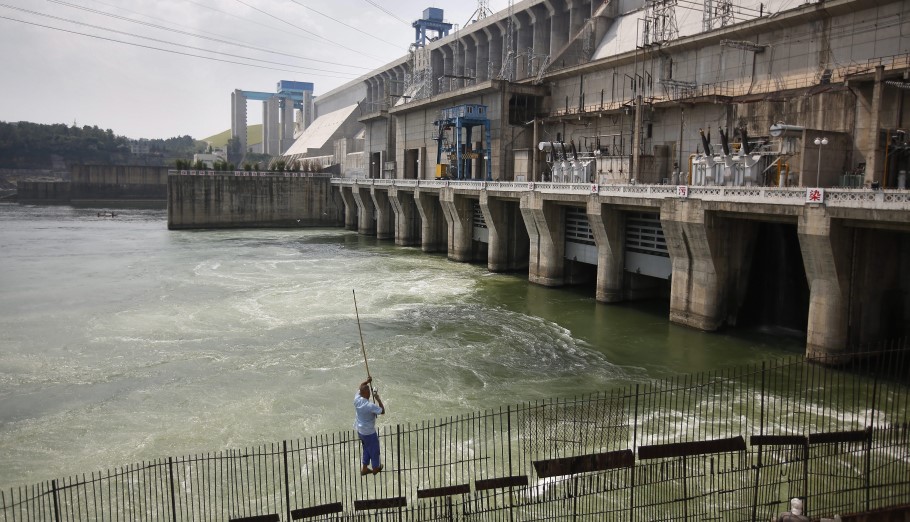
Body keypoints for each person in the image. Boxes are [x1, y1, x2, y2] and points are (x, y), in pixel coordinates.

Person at [353, 376, 385, 475]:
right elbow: (382, 411)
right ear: (367, 394)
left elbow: (361, 386)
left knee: (366, 448)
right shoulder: (370, 406)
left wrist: (367, 381)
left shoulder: (357, 399)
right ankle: (376, 468)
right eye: (369, 392)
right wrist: (378, 399)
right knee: (374, 449)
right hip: (369, 433)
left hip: (360, 431)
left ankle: (364, 468)